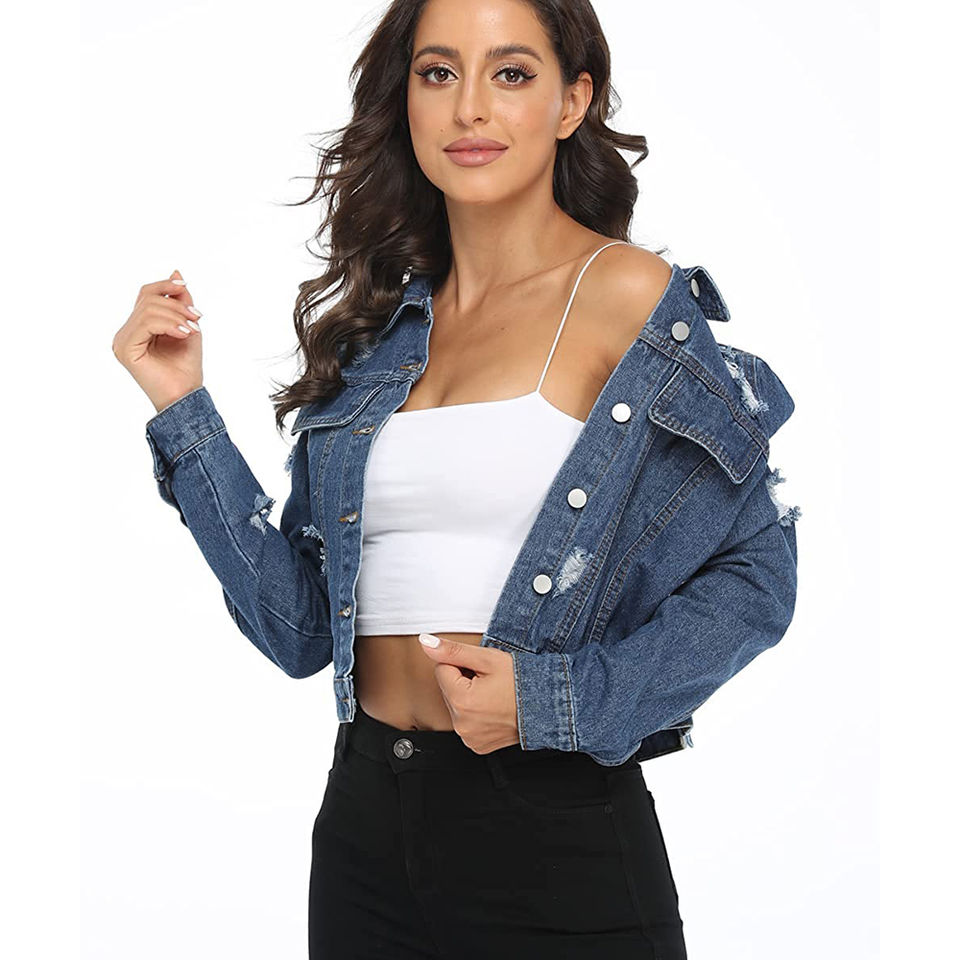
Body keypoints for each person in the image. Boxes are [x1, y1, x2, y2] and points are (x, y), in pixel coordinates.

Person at [112, 1, 800, 957]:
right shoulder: (377, 341)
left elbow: (758, 577)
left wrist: (555, 699)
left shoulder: (627, 296)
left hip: (554, 830)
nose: (469, 106)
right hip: (364, 825)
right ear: (407, 102)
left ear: (573, 101)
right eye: (439, 73)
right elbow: (300, 630)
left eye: (510, 73)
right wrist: (182, 410)